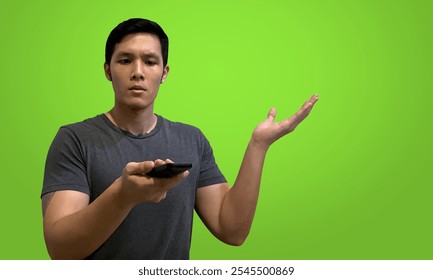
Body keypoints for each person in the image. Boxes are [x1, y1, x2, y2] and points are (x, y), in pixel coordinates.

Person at [41, 18, 319, 260]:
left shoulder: (191, 139)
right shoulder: (74, 139)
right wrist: (122, 195)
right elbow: (60, 249)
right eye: (125, 60)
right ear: (107, 70)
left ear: (164, 73)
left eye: (150, 61)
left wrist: (259, 146)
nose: (137, 71)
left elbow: (232, 229)